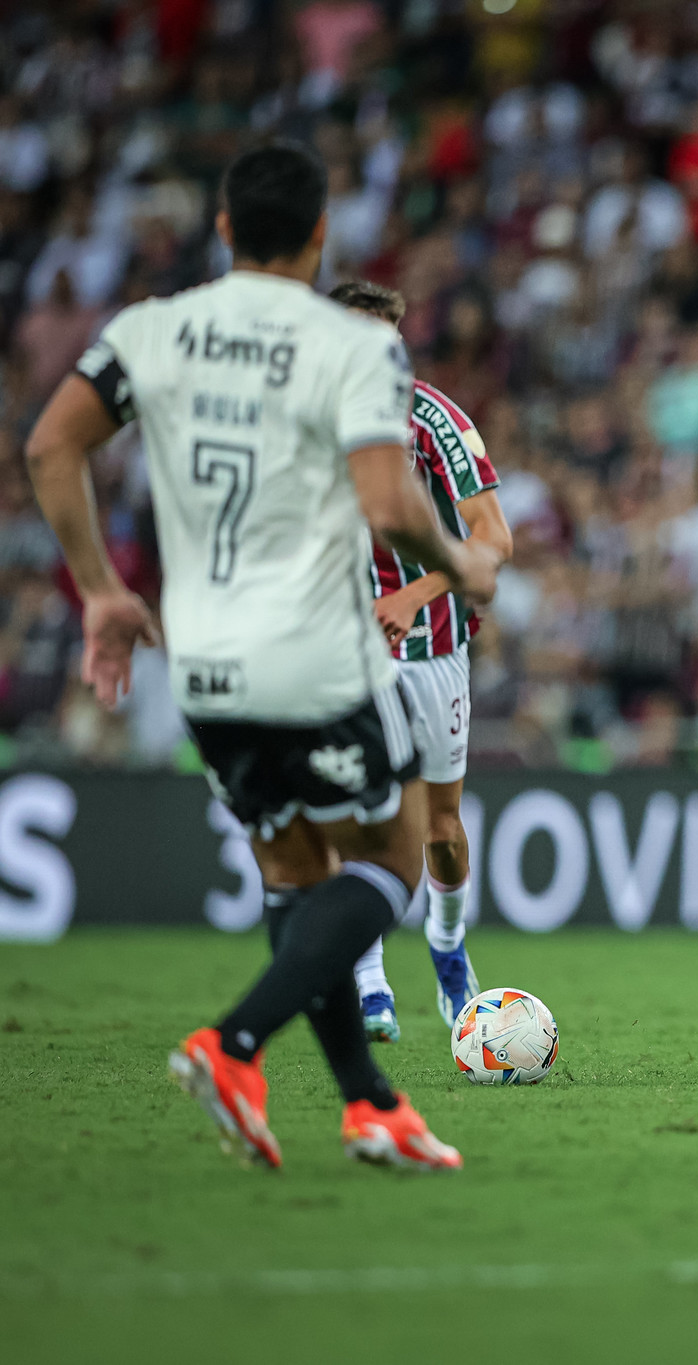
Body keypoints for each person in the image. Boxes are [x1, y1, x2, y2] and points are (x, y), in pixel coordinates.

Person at [22, 142, 501, 1170]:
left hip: (200, 661)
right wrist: (457, 561)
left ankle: (371, 1103)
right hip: (316, 647)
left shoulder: (149, 329)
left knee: (294, 872)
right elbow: (383, 501)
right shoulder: (346, 347)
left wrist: (101, 588)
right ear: (321, 236)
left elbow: (49, 448)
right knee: (391, 859)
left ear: (224, 229)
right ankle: (232, 1044)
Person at [328, 281, 513, 1041]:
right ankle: (369, 978)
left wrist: (416, 595)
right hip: (341, 647)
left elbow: (494, 539)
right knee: (363, 812)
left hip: (433, 643)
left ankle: (445, 943)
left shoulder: (433, 420)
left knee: (439, 826)